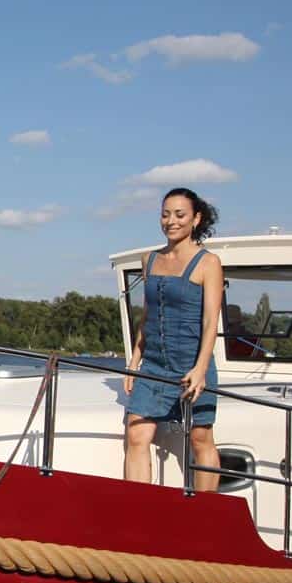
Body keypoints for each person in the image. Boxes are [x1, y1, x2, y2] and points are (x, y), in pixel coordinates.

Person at [123, 188, 223, 491]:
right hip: (154, 364)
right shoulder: (149, 260)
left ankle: (207, 514)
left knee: (200, 437)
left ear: (195, 219)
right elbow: (148, 315)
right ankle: (137, 510)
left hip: (192, 363)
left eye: (180, 215)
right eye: (165, 214)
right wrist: (135, 359)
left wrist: (200, 369)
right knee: (136, 433)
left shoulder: (209, 263)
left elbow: (210, 322)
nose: (171, 221)